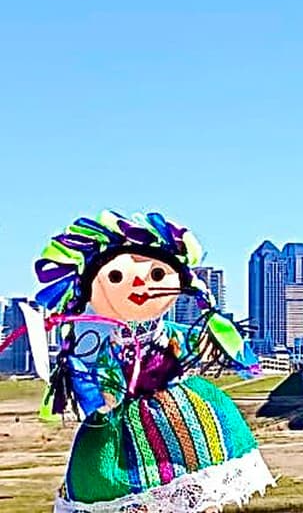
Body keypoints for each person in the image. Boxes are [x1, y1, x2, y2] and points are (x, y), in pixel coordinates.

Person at [23, 211, 275, 512]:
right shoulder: (98, 341)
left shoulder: (171, 335)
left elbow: (205, 343)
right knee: (118, 487)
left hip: (179, 411)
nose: (141, 285)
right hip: (120, 420)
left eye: (157, 275)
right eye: (115, 277)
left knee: (197, 475)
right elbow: (85, 378)